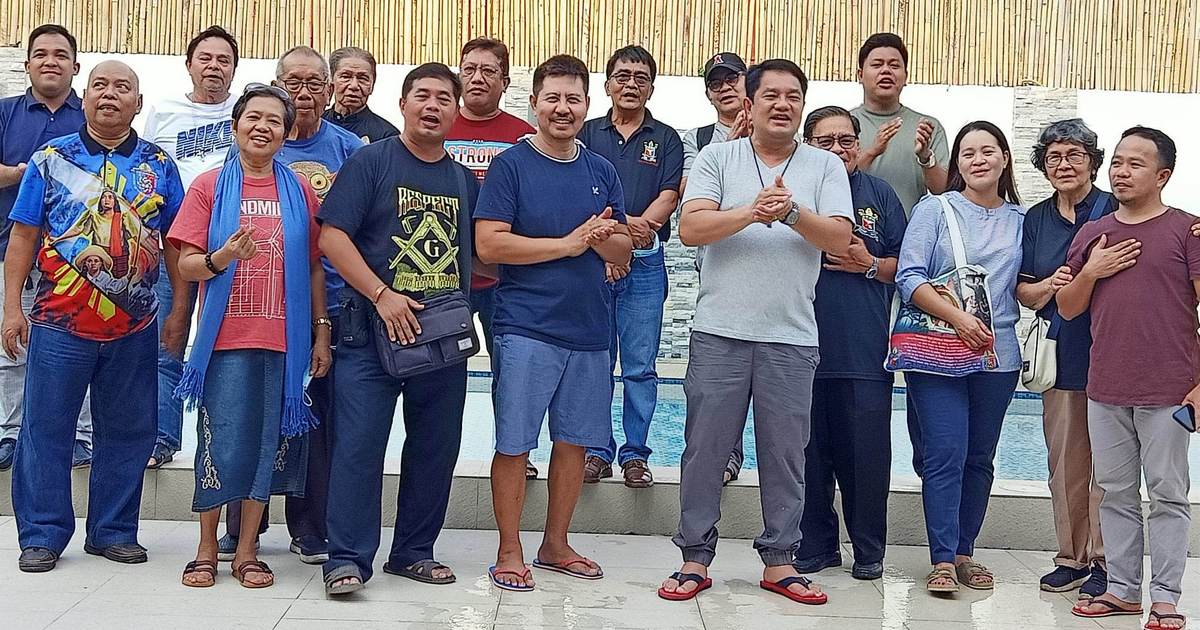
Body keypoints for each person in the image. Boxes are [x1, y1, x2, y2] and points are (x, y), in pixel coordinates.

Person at [659, 59, 853, 605]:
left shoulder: (824, 166)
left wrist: (791, 213)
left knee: (786, 454)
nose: (782, 104)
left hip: (792, 335)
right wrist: (752, 212)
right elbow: (692, 228)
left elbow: (840, 240)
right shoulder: (717, 158)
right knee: (704, 449)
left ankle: (781, 560)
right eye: (771, 95)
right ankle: (694, 557)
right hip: (719, 330)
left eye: (793, 96)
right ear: (749, 102)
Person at [2, 60, 187, 573]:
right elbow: (23, 235)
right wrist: (12, 307)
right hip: (58, 323)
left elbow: (176, 244)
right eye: (100, 86)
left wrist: (179, 311)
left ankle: (113, 531)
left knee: (129, 431)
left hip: (135, 326)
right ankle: (42, 534)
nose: (110, 95)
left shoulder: (159, 165)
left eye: (122, 87)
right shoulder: (51, 159)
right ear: (84, 99)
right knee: (45, 429)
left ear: (138, 103)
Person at [317, 63, 478, 595]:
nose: (433, 106)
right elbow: (332, 237)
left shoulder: (462, 180)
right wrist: (381, 295)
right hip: (371, 333)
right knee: (358, 448)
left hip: (441, 340)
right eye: (422, 96)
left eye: (444, 99)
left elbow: (478, 254)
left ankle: (413, 551)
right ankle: (347, 558)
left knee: (435, 449)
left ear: (456, 111)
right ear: (404, 104)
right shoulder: (372, 160)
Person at [475, 54, 632, 591]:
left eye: (573, 99)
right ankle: (509, 548)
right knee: (514, 443)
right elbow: (490, 245)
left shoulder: (601, 170)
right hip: (526, 325)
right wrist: (569, 244)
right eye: (553, 98)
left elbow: (622, 249)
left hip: (589, 328)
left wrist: (598, 240)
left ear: (587, 105)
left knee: (573, 443)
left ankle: (555, 544)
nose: (563, 108)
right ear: (535, 104)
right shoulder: (511, 166)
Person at [169, 83, 330, 589]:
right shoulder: (209, 187)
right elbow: (187, 265)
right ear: (236, 125)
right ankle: (205, 549)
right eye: (253, 117)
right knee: (219, 442)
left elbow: (314, 267)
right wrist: (224, 257)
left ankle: (246, 551)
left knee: (266, 444)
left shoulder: (300, 190)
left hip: (284, 340)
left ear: (286, 133)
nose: (263, 127)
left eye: (274, 121)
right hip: (226, 338)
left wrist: (320, 332)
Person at [218, 45, 364, 564]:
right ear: (279, 86)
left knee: (315, 420)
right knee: (244, 414)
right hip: (255, 304)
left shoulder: (350, 149)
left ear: (329, 89)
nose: (304, 93)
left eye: (314, 83)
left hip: (329, 301)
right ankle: (241, 529)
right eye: (293, 82)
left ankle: (309, 527)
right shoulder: (251, 148)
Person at [1061, 127, 1194, 630]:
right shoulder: (1093, 234)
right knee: (1114, 492)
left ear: (1162, 175)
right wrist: (1091, 271)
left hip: (1169, 390)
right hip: (1106, 387)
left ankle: (1165, 598)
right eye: (1117, 162)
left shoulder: (1187, 231)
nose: (1121, 171)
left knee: (1167, 495)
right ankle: (1121, 590)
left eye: (1135, 163)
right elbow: (1068, 308)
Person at [894, 120, 1024, 594]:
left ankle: (965, 551)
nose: (978, 159)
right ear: (957, 164)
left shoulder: (1022, 220)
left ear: (1005, 158)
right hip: (937, 350)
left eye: (988, 150)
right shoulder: (935, 209)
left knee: (980, 457)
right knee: (945, 452)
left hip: (998, 356)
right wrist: (959, 319)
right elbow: (908, 277)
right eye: (968, 153)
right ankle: (943, 558)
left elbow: (1027, 282)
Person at [791, 106, 907, 582]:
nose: (837, 150)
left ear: (859, 146)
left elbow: (907, 267)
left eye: (846, 140)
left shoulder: (880, 195)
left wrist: (869, 264)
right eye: (825, 141)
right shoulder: (794, 193)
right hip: (797, 346)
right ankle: (816, 546)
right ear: (808, 145)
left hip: (862, 352)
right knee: (805, 457)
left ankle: (868, 549)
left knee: (867, 460)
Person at [1015, 119, 1114, 598]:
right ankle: (1072, 558)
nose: (1064, 164)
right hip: (1062, 352)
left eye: (1074, 154)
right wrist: (1048, 287)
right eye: (1053, 157)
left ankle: (1106, 561)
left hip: (1115, 350)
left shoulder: (1114, 208)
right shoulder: (1035, 218)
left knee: (1111, 468)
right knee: (1067, 464)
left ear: (1093, 161)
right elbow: (1022, 289)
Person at [579, 45, 682, 488]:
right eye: (623, 76)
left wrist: (633, 234)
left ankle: (635, 454)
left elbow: (669, 195)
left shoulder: (667, 137)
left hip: (645, 263)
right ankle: (596, 451)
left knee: (640, 365)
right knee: (597, 361)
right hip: (594, 263)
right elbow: (577, 194)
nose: (631, 84)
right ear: (607, 85)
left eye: (641, 78)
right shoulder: (585, 133)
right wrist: (615, 240)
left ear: (651, 88)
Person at [140, 25, 240, 469]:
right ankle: (162, 438)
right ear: (189, 65)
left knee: (225, 347)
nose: (214, 66)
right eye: (206, 58)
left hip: (232, 249)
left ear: (234, 70)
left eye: (224, 60)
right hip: (171, 245)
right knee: (168, 338)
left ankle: (222, 445)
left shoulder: (244, 113)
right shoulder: (164, 112)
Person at [852, 33, 951, 476]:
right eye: (877, 64)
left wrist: (926, 157)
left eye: (895, 64)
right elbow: (831, 180)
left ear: (906, 74)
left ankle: (924, 467)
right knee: (869, 364)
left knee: (920, 360)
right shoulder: (844, 125)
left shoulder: (927, 125)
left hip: (915, 264)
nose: (886, 71)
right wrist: (870, 151)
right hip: (857, 260)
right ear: (860, 73)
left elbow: (945, 192)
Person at [0, 24, 94, 472]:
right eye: (41, 54)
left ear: (75, 66)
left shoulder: (91, 116)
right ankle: (9, 433)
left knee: (84, 347)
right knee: (11, 347)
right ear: (28, 65)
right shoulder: (5, 113)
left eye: (60, 55)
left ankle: (81, 436)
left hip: (78, 260)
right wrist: (28, 173)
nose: (50, 62)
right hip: (11, 248)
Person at [443, 37, 536, 478]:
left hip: (505, 281)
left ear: (505, 80)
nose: (477, 78)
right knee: (443, 376)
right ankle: (443, 457)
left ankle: (516, 455)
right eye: (469, 69)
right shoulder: (439, 127)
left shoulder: (524, 138)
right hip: (447, 280)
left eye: (488, 71)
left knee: (512, 373)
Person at [680, 52, 749, 195]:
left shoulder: (772, 131)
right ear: (708, 96)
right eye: (715, 84)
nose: (724, 88)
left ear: (749, 83)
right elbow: (685, 190)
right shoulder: (696, 138)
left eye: (732, 79)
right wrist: (727, 149)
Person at [322, 47, 399, 143]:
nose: (354, 86)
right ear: (331, 82)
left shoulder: (387, 136)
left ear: (372, 86)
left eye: (362, 78)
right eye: (346, 76)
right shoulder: (313, 125)